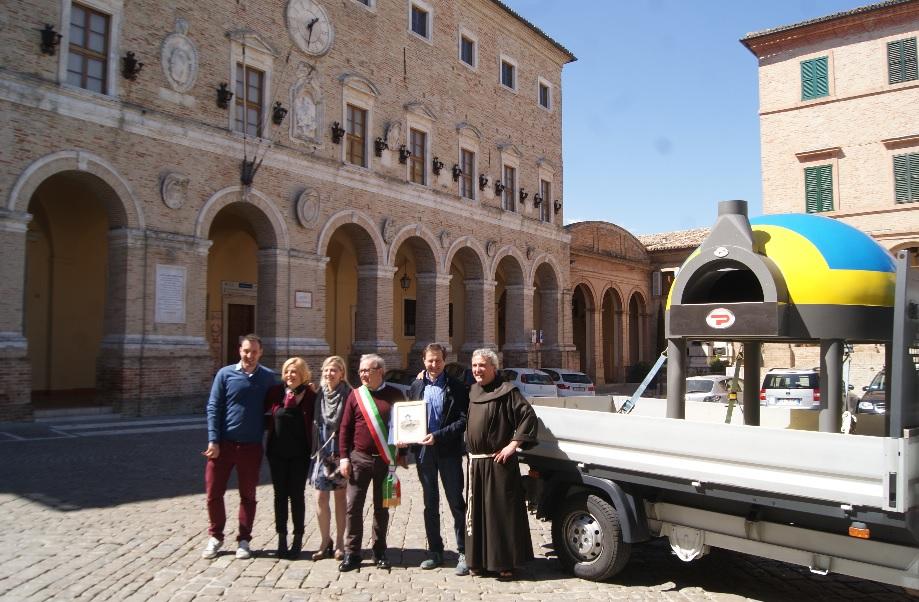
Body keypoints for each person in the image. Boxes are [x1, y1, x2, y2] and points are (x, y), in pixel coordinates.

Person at [202, 334, 277, 560]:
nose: (250, 355)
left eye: (254, 352)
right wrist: (213, 439)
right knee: (213, 493)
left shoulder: (268, 377)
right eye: (246, 351)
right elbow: (213, 407)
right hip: (222, 445)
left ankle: (244, 539)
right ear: (239, 350)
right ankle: (216, 536)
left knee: (248, 495)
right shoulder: (225, 374)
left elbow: (284, 398)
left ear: (260, 353)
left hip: (251, 447)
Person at [465, 348, 538, 580]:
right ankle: (478, 561)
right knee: (477, 514)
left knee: (500, 514)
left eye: (482, 365)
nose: (477, 369)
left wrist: (512, 445)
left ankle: (504, 562)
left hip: (498, 463)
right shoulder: (473, 391)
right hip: (476, 464)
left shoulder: (507, 391)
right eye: (475, 365)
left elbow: (528, 416)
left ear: (493, 368)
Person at [404, 343, 469, 575]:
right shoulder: (416, 386)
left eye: (438, 361)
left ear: (445, 360)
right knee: (430, 504)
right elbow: (408, 417)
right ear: (424, 361)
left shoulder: (457, 387)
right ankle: (435, 551)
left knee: (456, 503)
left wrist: (438, 436)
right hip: (424, 455)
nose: (434, 365)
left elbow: (463, 421)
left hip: (449, 453)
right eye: (430, 361)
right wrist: (405, 443)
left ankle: (464, 551)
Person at [337, 354, 407, 572]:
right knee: (353, 507)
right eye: (360, 371)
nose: (363, 375)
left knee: (382, 508)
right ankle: (353, 553)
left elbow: (405, 425)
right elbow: (345, 429)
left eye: (367, 370)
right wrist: (344, 457)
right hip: (360, 459)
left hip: (386, 461)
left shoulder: (395, 395)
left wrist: (404, 450)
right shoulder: (355, 396)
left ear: (380, 371)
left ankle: (380, 550)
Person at [264, 357, 316, 559]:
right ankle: (281, 538)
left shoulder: (311, 395)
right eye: (287, 371)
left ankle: (297, 538)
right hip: (276, 454)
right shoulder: (275, 393)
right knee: (279, 496)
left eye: (294, 372)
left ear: (303, 374)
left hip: (300, 455)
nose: (290, 375)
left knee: (297, 496)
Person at [309, 355, 352, 561]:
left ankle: (341, 542)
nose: (329, 374)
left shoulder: (349, 394)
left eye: (334, 370)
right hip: (321, 453)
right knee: (320, 497)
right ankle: (325, 541)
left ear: (342, 373)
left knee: (340, 498)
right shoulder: (318, 394)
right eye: (326, 370)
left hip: (339, 453)